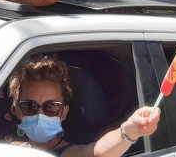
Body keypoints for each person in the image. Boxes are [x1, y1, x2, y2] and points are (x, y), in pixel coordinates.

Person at [8, 55, 160, 156]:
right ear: (17, 110)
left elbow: (97, 152)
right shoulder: (11, 149)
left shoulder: (71, 153)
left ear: (64, 112)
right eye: (29, 106)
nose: (40, 114)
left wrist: (128, 131)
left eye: (51, 107)